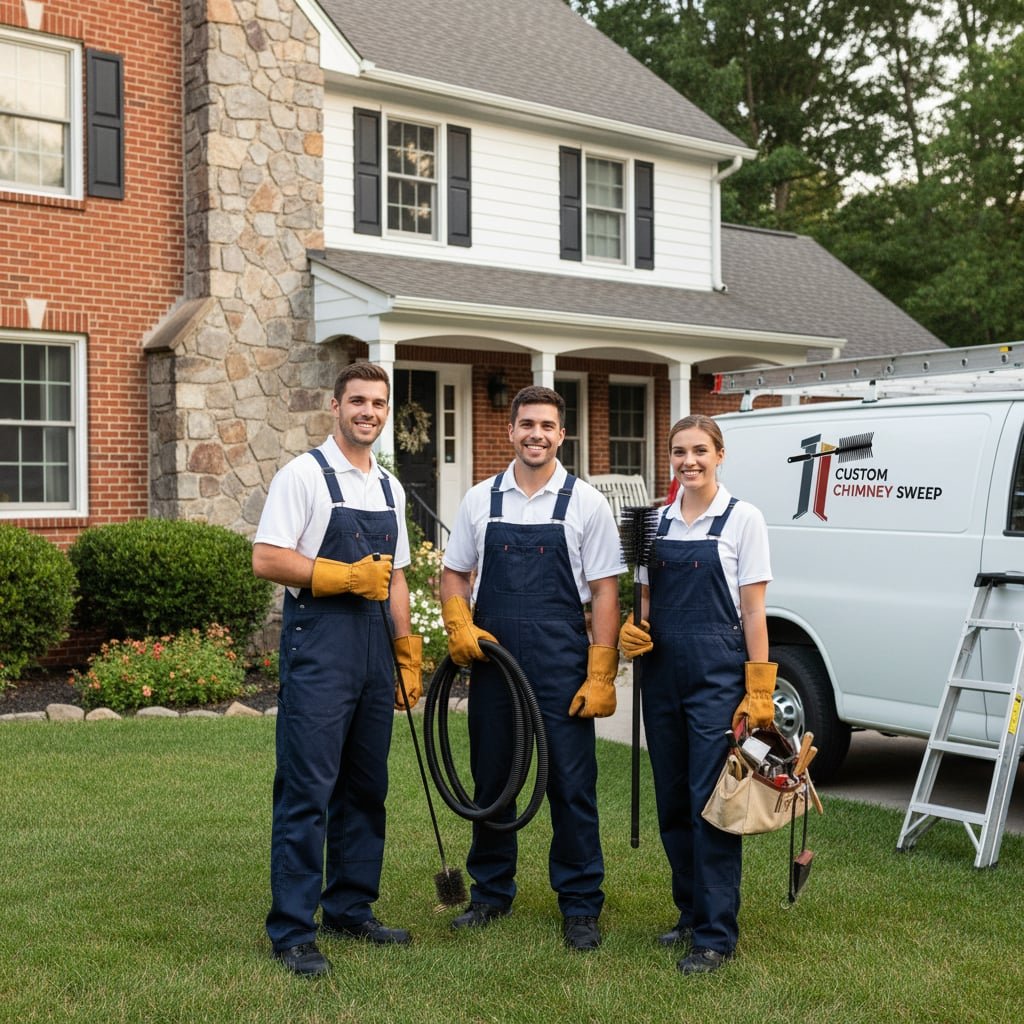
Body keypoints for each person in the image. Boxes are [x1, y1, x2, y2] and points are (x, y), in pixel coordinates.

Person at [439, 385, 625, 951]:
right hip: (494, 662)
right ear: (511, 431)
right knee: (492, 780)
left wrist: (600, 671)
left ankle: (580, 904)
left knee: (572, 784)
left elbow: (605, 590)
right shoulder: (481, 499)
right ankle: (491, 894)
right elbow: (455, 573)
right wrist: (458, 623)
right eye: (526, 424)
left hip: (561, 661)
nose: (536, 435)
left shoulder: (586, 503)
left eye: (546, 425)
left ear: (561, 434)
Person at [252, 362, 421, 977]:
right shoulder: (303, 476)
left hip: (375, 653)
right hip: (320, 650)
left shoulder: (390, 488)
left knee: (366, 787)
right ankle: (293, 930)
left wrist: (406, 653)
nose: (368, 412)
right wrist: (343, 576)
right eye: (357, 401)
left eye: (377, 403)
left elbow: (396, 576)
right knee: (308, 792)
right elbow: (267, 558)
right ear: (335, 406)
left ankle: (350, 907)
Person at [619, 414, 774, 975]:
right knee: (672, 800)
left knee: (712, 804)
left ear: (719, 455)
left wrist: (759, 686)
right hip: (660, 674)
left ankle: (715, 936)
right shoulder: (655, 522)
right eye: (680, 451)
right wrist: (632, 631)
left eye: (700, 451)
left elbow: (753, 610)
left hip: (716, 677)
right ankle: (689, 912)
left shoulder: (742, 519)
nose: (689, 461)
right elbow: (644, 601)